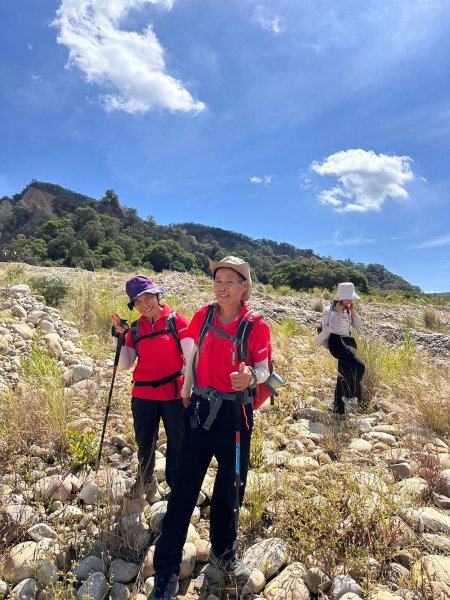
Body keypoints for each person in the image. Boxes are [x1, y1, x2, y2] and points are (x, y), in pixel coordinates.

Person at [149, 256, 271, 600]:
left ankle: (224, 553)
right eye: (218, 281)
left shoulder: (256, 326)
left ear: (245, 286)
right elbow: (194, 356)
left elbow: (264, 369)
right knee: (183, 488)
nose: (222, 287)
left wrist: (251, 377)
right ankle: (167, 570)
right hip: (201, 410)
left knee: (230, 489)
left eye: (230, 281)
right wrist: (186, 388)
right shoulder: (203, 316)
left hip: (235, 417)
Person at [111, 276, 192, 502]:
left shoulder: (177, 321)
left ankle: (176, 486)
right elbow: (126, 363)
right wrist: (120, 337)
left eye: (148, 297)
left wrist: (188, 391)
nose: (144, 304)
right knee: (144, 440)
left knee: (177, 440)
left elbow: (191, 359)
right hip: (143, 394)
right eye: (138, 301)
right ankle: (146, 480)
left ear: (157, 296)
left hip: (174, 394)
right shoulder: (136, 328)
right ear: (134, 305)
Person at [315, 282, 365, 415]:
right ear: (340, 296)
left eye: (351, 298)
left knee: (343, 375)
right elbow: (332, 329)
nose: (350, 300)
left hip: (347, 342)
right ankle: (349, 396)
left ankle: (338, 410)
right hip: (336, 343)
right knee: (360, 367)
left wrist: (353, 312)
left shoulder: (349, 309)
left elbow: (358, 327)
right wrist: (337, 313)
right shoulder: (329, 310)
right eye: (347, 298)